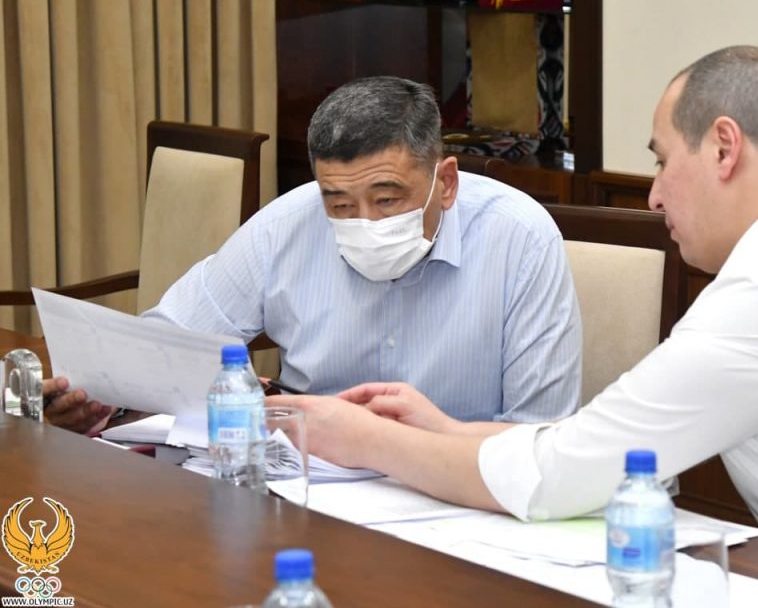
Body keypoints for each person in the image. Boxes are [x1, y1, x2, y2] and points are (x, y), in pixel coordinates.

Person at [267, 46, 758, 600]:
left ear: (724, 148)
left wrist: (360, 438)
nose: (654, 195)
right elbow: (606, 444)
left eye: (662, 161)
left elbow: (563, 476)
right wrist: (449, 432)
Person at [44, 76, 582, 434]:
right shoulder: (288, 224)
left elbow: (540, 434)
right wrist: (102, 398)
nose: (365, 222)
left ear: (445, 183)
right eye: (340, 203)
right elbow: (167, 340)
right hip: (307, 479)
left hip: (460, 493)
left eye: (387, 199)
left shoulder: (520, 239)